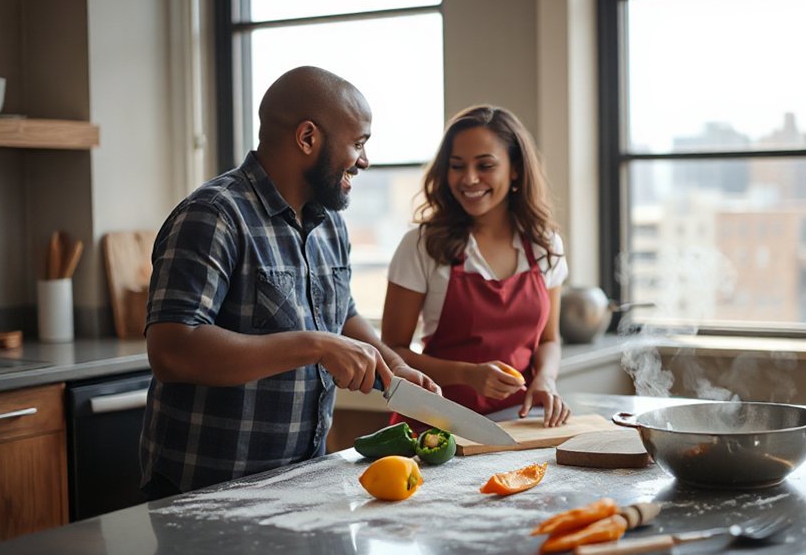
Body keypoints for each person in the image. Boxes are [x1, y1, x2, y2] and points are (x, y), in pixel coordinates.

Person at [139, 66, 439, 498]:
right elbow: (172, 350)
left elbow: (341, 313)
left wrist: (395, 367)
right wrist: (317, 345)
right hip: (208, 489)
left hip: (301, 481)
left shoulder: (330, 223)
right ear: (307, 138)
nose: (365, 160)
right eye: (358, 144)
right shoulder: (213, 215)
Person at [381, 105, 571, 428]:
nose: (469, 179)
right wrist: (466, 375)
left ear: (515, 170)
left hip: (515, 426)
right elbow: (391, 351)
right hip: (434, 428)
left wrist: (546, 381)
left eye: (485, 165)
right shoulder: (421, 245)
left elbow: (549, 340)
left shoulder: (544, 245)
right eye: (457, 166)